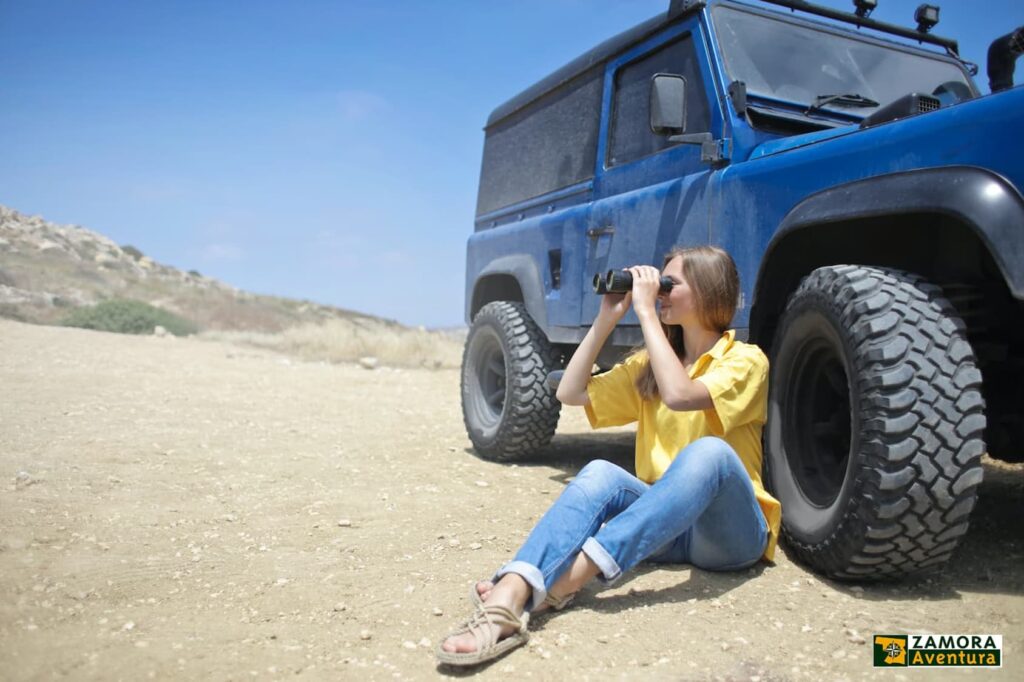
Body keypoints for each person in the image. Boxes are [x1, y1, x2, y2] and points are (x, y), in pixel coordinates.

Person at [436, 245, 782, 667]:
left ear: (711, 291)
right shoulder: (653, 363)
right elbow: (570, 392)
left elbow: (679, 395)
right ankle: (514, 588)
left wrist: (648, 316)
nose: (660, 293)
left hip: (727, 536)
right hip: (664, 528)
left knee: (709, 453)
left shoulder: (746, 360)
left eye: (670, 285)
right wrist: (606, 320)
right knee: (600, 471)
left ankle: (567, 579)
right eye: (660, 286)